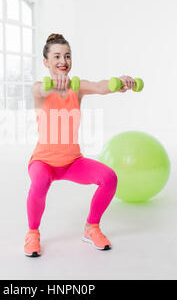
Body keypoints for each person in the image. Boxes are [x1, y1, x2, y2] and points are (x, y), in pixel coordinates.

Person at [25, 33, 136, 257]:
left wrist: (120, 83)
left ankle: (91, 227)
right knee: (40, 182)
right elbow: (40, 90)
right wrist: (53, 86)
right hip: (43, 162)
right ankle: (33, 233)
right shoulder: (40, 88)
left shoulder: (77, 87)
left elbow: (101, 86)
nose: (63, 61)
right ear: (46, 62)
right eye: (56, 56)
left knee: (109, 178)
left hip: (72, 161)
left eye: (67, 56)